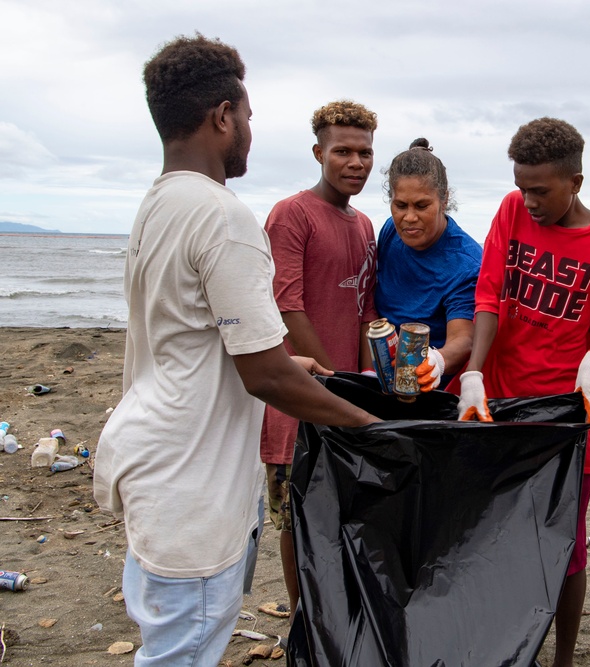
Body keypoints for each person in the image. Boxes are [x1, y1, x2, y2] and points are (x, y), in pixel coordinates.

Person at [92, 35, 379, 667]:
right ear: (223, 116)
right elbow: (267, 377)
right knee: (184, 652)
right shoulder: (224, 218)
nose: (249, 130)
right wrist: (371, 426)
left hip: (153, 460)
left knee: (168, 640)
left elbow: (187, 335)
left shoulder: (158, 203)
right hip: (191, 484)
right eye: (246, 117)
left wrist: (284, 365)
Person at [458, 117, 590, 666]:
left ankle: (564, 656)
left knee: (566, 548)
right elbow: (490, 295)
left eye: (541, 190)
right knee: (493, 535)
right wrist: (474, 374)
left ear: (576, 182)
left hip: (563, 414)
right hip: (500, 403)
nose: (529, 200)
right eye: (522, 186)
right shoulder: (512, 213)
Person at [259, 99, 379, 619]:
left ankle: (341, 616)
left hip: (345, 395)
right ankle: (302, 619)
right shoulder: (292, 213)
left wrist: (366, 378)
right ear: (318, 153)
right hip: (299, 399)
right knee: (297, 518)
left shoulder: (365, 224)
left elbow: (364, 310)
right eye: (343, 151)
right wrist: (332, 383)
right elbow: (288, 306)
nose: (356, 163)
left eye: (365, 152)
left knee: (345, 515)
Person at [374, 138, 482, 391]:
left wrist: (437, 362)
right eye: (400, 205)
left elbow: (463, 339)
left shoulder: (465, 264)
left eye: (422, 206)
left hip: (432, 388)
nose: (409, 218)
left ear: (444, 200)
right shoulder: (391, 231)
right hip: (381, 373)